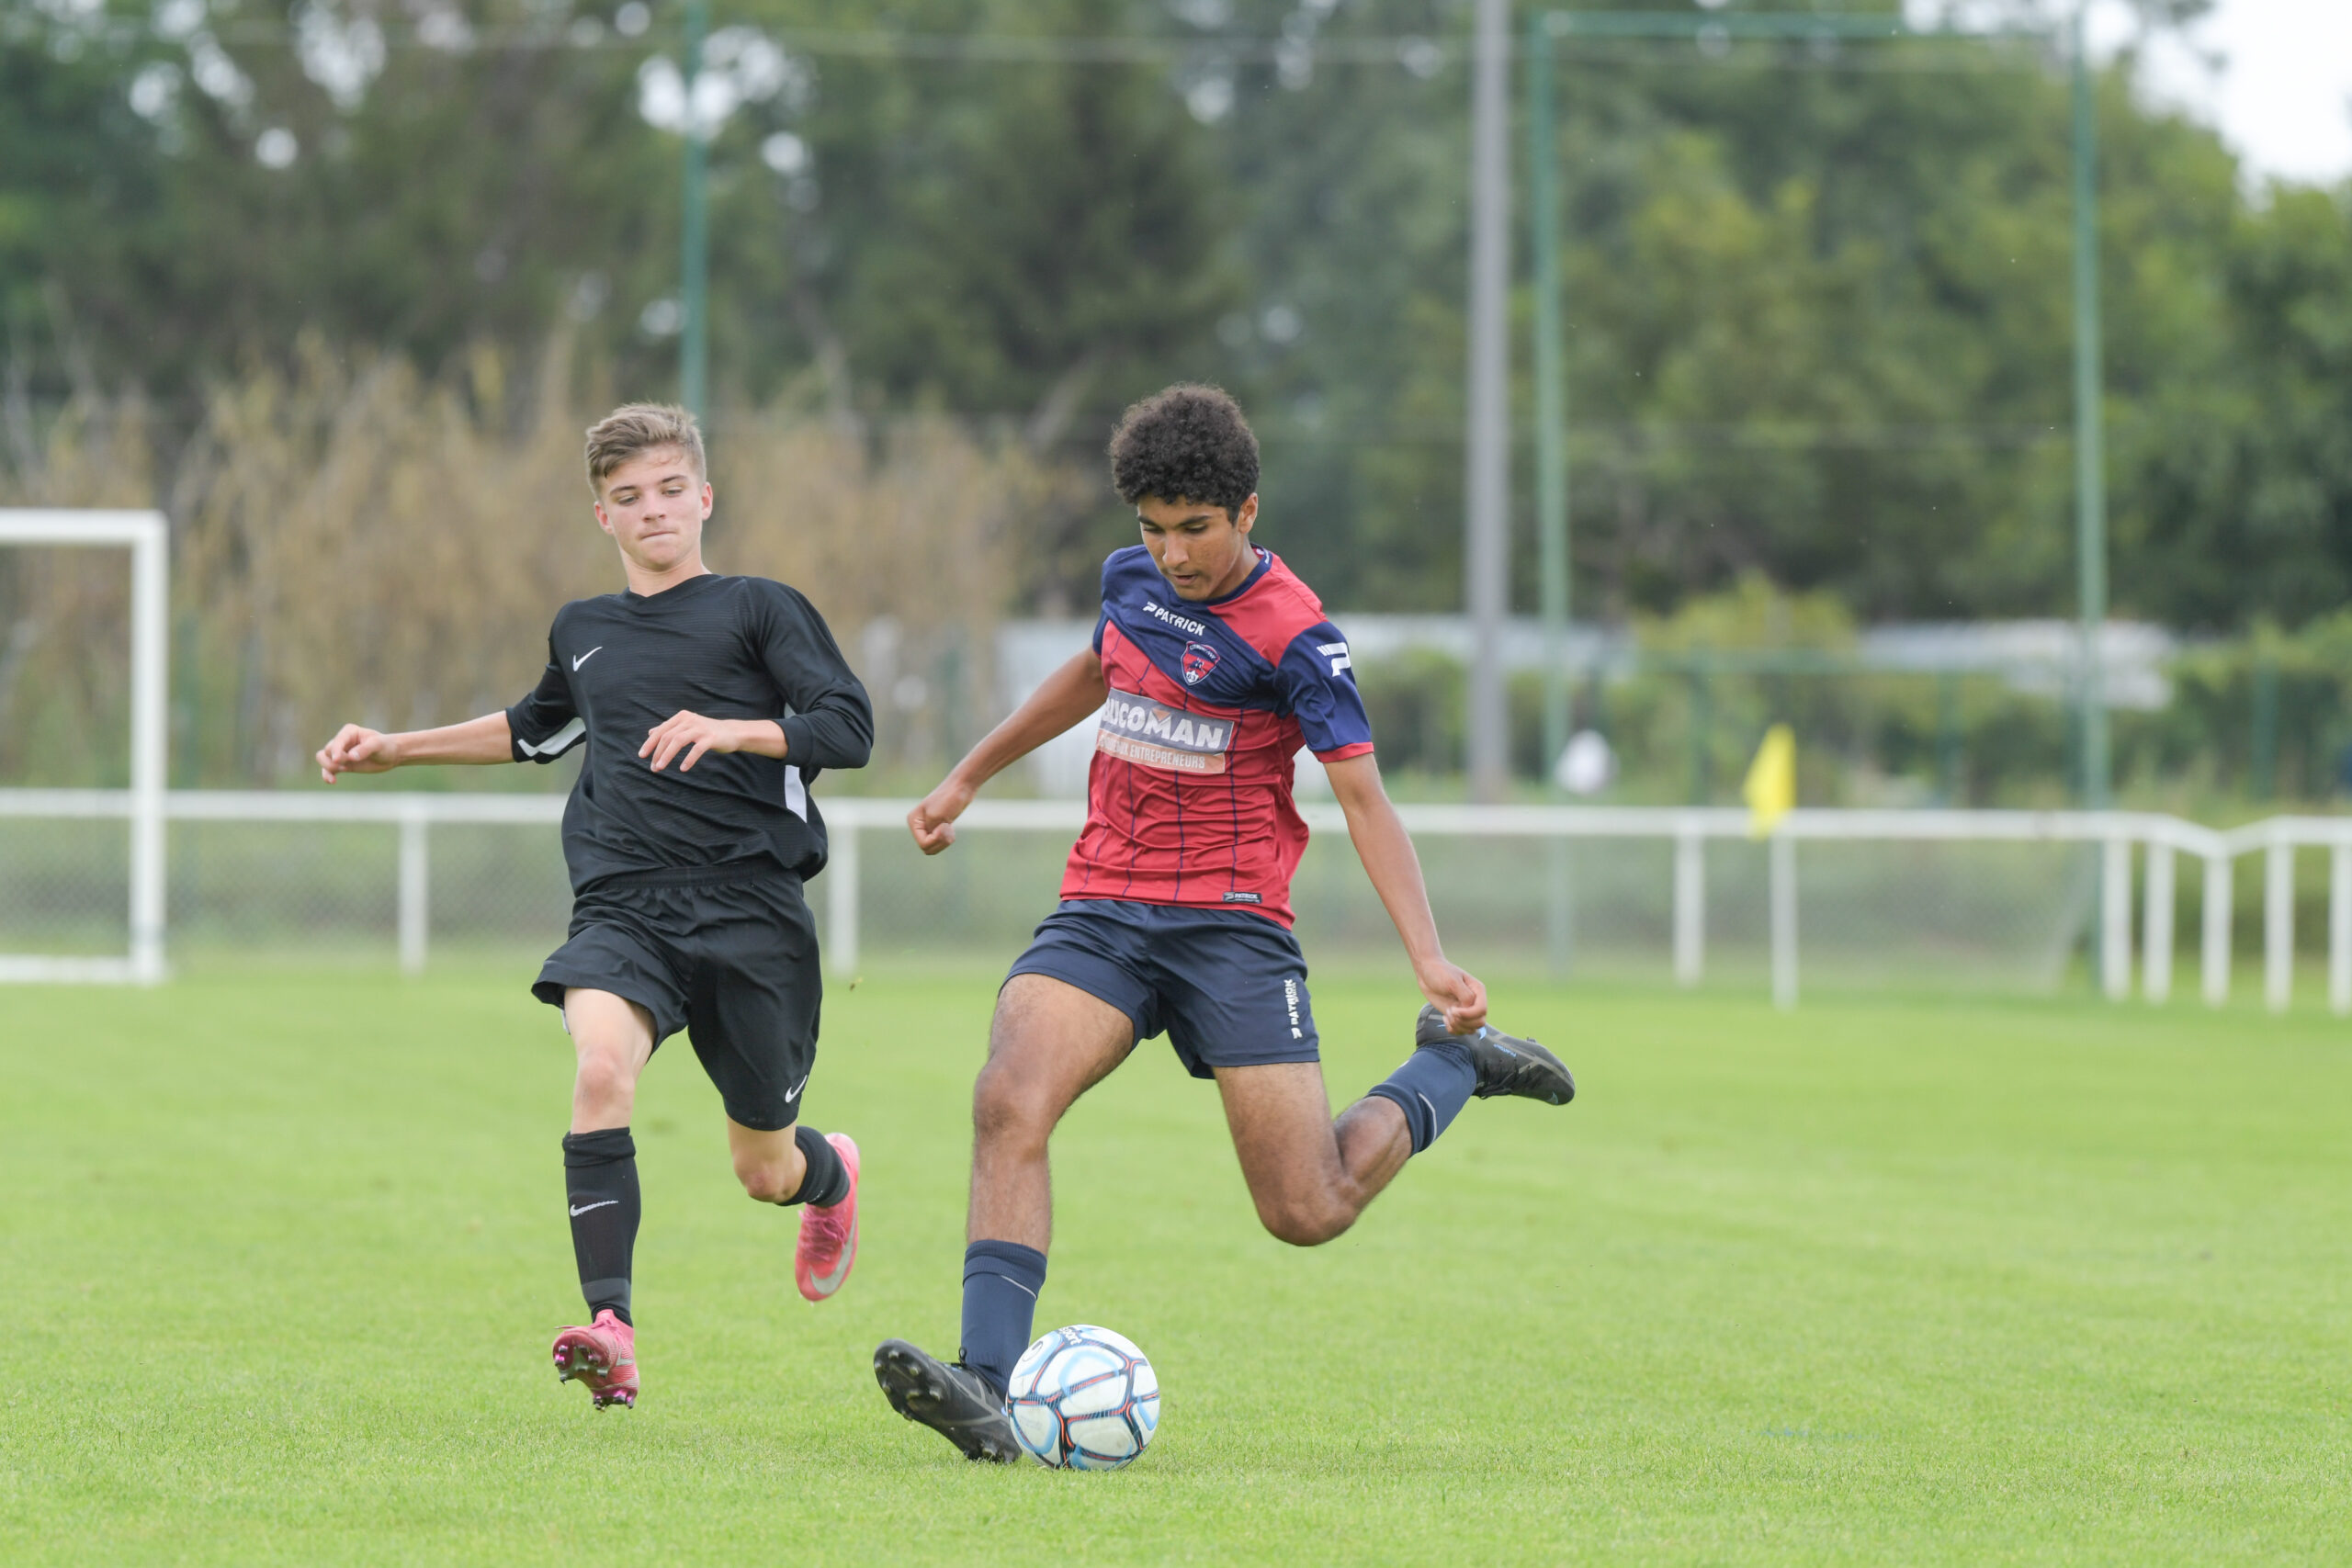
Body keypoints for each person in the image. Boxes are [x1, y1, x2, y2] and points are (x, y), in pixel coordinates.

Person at [871, 384, 1575, 1461]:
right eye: (1152, 529)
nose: (1172, 554)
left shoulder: (1298, 638)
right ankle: (986, 1384)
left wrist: (1429, 957)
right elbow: (1093, 669)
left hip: (1231, 928)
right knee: (1007, 1097)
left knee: (1308, 1208)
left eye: (1194, 528)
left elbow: (1364, 800)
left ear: (1247, 511)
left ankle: (1451, 1065)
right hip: (1104, 906)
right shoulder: (1132, 583)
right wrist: (968, 774)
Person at [314, 403, 875, 1410]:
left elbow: (848, 726)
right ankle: (611, 1329)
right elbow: (534, 729)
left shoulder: (758, 609)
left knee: (763, 1169)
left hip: (752, 910)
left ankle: (829, 1176)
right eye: (628, 496)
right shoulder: (583, 629)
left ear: (705, 497)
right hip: (626, 906)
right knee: (601, 1070)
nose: (653, 509)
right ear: (602, 516)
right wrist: (397, 748)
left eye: (670, 490)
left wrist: (734, 729)